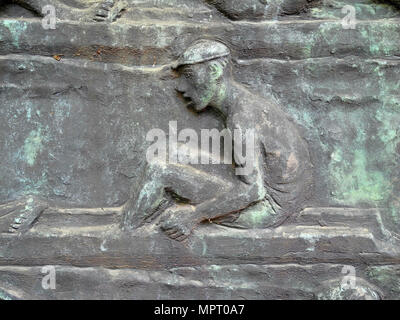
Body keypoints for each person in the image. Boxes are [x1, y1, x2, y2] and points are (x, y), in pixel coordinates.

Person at [123, 39, 314, 240]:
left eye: (188, 75)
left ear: (214, 70)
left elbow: (252, 191)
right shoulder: (246, 104)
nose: (180, 86)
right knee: (166, 150)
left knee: (159, 172)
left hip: (265, 210)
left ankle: (122, 239)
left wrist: (194, 214)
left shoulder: (242, 117)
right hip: (271, 196)